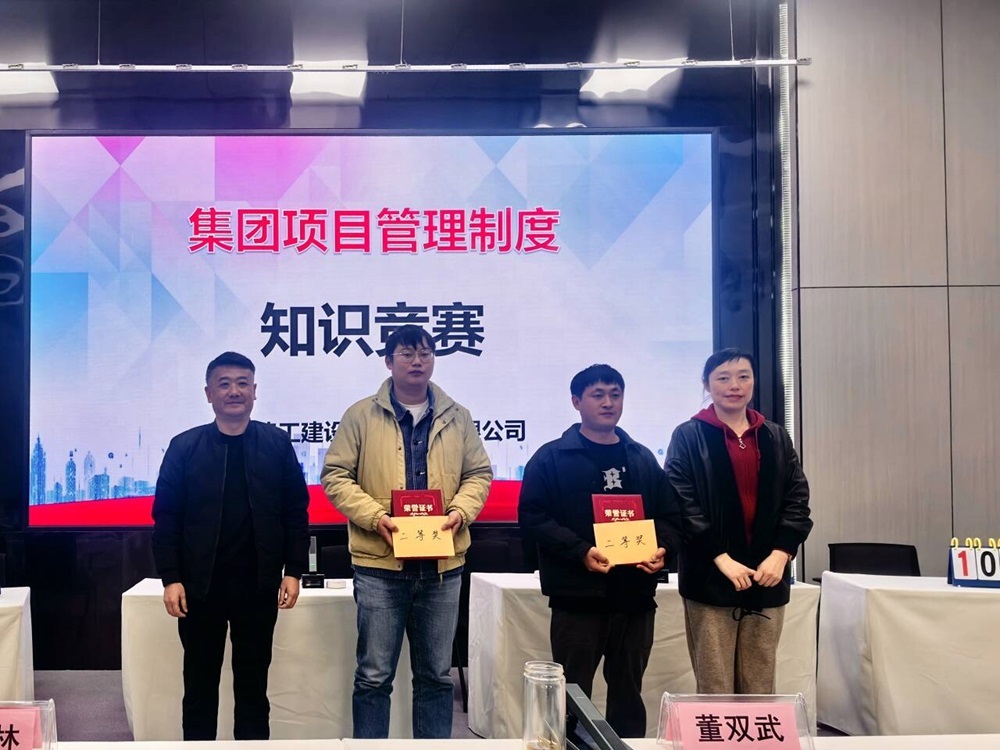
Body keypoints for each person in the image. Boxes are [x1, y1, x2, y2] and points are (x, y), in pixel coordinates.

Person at [321, 324, 492, 739]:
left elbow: (478, 474)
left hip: (441, 567)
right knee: (373, 676)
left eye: (426, 353)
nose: (418, 361)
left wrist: (460, 511)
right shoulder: (361, 415)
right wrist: (376, 516)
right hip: (380, 567)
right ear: (388, 361)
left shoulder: (458, 416)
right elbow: (336, 475)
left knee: (436, 676)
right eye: (407, 353)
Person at [518, 364, 683, 739]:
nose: (608, 403)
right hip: (577, 598)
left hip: (635, 597)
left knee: (629, 694)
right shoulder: (552, 457)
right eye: (598, 395)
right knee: (572, 697)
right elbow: (533, 517)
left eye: (615, 394)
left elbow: (671, 516)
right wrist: (580, 551)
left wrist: (663, 548)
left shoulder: (641, 458)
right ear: (576, 402)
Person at [151, 352, 310, 740]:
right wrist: (171, 578)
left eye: (242, 383)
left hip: (258, 586)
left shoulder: (276, 444)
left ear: (255, 391)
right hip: (199, 589)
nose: (234, 391)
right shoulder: (184, 447)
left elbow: (295, 512)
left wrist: (294, 570)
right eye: (224, 384)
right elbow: (166, 517)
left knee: (254, 688)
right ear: (209, 393)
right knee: (199, 686)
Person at [665, 348, 812, 694]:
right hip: (710, 575)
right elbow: (681, 503)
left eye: (743, 376)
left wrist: (782, 553)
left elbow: (797, 498)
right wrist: (719, 557)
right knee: (714, 684)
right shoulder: (689, 436)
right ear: (707, 384)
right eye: (723, 378)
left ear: (753, 382)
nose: (735, 385)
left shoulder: (775, 436)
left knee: (760, 682)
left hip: (767, 574)